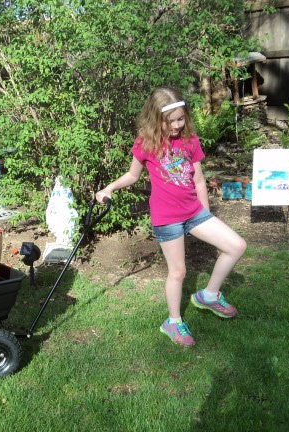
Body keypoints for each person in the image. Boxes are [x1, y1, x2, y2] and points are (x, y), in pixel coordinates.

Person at [95, 86, 247, 347]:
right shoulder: (146, 143)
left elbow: (199, 180)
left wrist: (205, 214)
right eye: (171, 121)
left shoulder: (190, 141)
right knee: (178, 272)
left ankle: (209, 296)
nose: (177, 125)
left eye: (181, 119)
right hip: (167, 218)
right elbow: (132, 175)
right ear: (156, 119)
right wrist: (109, 188)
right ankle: (173, 322)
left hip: (194, 212)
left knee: (237, 246)